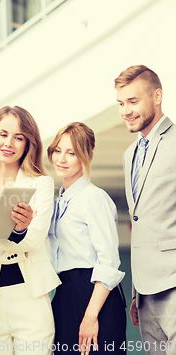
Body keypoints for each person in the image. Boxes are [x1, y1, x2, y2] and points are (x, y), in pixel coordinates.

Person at [0, 105, 61, 355]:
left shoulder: (41, 184)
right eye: (4, 134)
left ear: (29, 144)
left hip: (29, 296)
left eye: (19, 137)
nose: (9, 143)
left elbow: (34, 240)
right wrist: (17, 232)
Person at [47, 122, 126, 355]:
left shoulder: (93, 198)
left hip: (92, 295)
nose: (62, 158)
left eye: (71, 153)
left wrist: (91, 315)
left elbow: (109, 261)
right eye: (58, 150)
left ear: (87, 156)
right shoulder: (57, 202)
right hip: (65, 293)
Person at [115, 65, 176, 354]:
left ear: (157, 96)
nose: (126, 110)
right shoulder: (129, 155)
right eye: (121, 103)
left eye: (133, 101)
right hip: (146, 293)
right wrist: (137, 293)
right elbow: (141, 222)